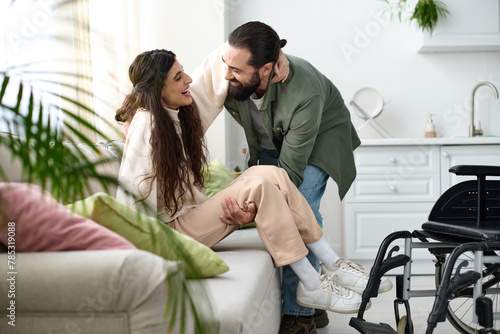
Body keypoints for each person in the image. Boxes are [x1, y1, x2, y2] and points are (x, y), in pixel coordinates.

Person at [114, 49, 370, 320]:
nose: (188, 79)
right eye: (178, 77)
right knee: (258, 186)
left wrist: (275, 53)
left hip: (190, 218)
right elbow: (130, 197)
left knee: (270, 173)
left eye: (184, 72)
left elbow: (226, 55)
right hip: (170, 235)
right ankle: (312, 283)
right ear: (157, 88)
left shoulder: (173, 111)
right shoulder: (146, 125)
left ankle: (333, 264)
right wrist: (139, 261)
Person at [214, 21, 392, 333]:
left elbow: (291, 175)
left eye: (236, 70)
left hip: (320, 136)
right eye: (225, 64)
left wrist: (264, 203)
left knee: (301, 207)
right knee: (275, 199)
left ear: (267, 69)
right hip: (272, 138)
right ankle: (317, 304)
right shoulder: (232, 69)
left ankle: (299, 314)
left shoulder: (303, 91)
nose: (227, 74)